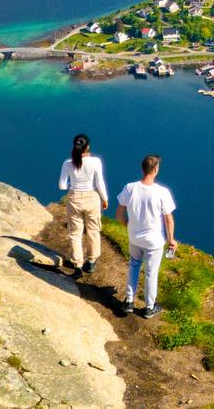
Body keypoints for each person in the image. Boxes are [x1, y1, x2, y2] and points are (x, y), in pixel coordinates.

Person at [115, 153, 177, 318]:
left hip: (134, 237)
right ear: (155, 169)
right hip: (153, 242)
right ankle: (149, 307)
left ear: (143, 169)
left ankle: (129, 301)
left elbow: (119, 213)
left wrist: (128, 226)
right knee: (151, 272)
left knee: (134, 265)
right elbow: (168, 219)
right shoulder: (162, 192)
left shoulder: (130, 188)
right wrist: (171, 240)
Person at [57, 133, 108, 276]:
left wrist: (73, 186)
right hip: (92, 198)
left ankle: (78, 266)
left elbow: (61, 185)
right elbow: (99, 183)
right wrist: (105, 199)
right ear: (88, 146)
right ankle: (91, 262)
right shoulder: (96, 161)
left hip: (74, 198)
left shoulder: (67, 163)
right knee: (93, 231)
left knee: (75, 233)